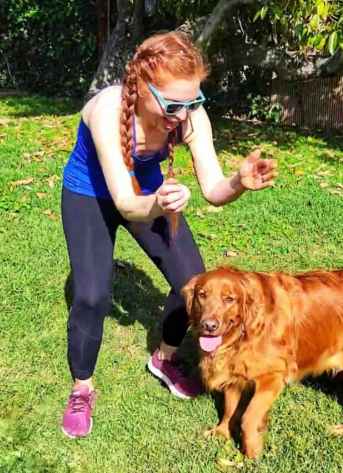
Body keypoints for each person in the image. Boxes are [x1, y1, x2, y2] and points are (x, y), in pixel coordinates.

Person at [60, 31, 277, 438]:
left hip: (151, 194)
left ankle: (164, 358)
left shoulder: (190, 115)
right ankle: (82, 387)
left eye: (193, 100)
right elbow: (126, 203)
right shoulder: (108, 110)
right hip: (90, 194)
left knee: (192, 284)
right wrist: (160, 203)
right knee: (92, 296)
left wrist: (239, 182)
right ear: (140, 87)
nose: (184, 112)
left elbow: (213, 190)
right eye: (173, 103)